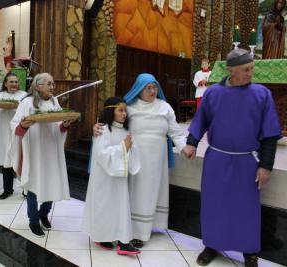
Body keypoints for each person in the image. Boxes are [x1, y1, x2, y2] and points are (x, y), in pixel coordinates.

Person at [183, 49, 282, 267]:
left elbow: (270, 134)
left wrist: (265, 165)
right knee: (214, 205)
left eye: (251, 69)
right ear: (230, 70)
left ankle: (249, 253)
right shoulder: (213, 93)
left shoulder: (261, 94)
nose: (250, 73)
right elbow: (201, 120)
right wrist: (191, 143)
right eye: (246, 69)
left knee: (246, 209)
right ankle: (211, 245)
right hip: (217, 160)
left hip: (247, 162)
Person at [94, 73, 187, 248]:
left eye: (155, 87)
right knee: (136, 192)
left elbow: (175, 131)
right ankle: (132, 231)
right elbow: (112, 119)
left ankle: (147, 228)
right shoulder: (130, 107)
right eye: (148, 88)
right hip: (134, 157)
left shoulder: (165, 107)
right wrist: (98, 126)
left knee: (152, 192)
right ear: (139, 89)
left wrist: (184, 147)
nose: (153, 91)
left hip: (157, 158)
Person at [10, 73, 74, 237]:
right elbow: (15, 125)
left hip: (51, 149)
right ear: (38, 86)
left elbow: (59, 123)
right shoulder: (27, 102)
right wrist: (23, 125)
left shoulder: (54, 101)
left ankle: (44, 213)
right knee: (33, 185)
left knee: (50, 181)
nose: (53, 87)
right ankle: (33, 221)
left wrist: (65, 124)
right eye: (49, 84)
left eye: (53, 84)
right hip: (34, 150)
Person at [82, 96, 141, 255]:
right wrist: (123, 147)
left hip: (119, 178)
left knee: (120, 207)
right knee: (104, 206)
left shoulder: (125, 130)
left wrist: (129, 147)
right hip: (104, 178)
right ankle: (102, 236)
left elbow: (132, 149)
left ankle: (123, 241)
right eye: (120, 110)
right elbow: (102, 154)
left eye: (125, 110)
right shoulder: (103, 129)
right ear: (110, 111)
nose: (124, 114)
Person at [0, 73, 27, 200]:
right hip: (3, 133)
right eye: (11, 82)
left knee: (22, 161)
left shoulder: (24, 96)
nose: (14, 84)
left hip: (19, 134)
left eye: (16, 82)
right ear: (5, 83)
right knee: (6, 163)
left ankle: (26, 189)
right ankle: (7, 189)